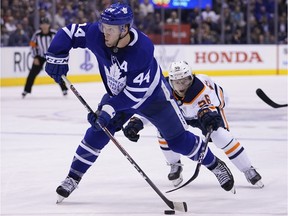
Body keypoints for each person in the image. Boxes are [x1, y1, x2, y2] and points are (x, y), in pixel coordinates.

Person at [44, 3, 235, 203]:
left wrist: (107, 109)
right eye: (103, 27)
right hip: (118, 94)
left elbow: (134, 96)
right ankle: (73, 177)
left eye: (110, 29)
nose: (104, 33)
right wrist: (56, 56)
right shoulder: (97, 33)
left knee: (178, 141)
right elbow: (68, 33)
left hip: (155, 99)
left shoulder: (142, 49)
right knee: (98, 131)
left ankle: (215, 165)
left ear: (125, 29)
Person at [123, 61, 264, 188]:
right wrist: (137, 122)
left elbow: (219, 101)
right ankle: (174, 165)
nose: (181, 86)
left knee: (221, 136)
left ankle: (248, 169)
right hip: (179, 114)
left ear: (191, 78)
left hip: (203, 112)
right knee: (163, 131)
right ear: (171, 81)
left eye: (185, 81)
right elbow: (152, 109)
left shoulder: (202, 87)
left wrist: (209, 114)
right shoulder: (162, 89)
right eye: (177, 82)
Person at [22, 17, 68, 98]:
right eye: (43, 24)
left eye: (46, 24)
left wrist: (58, 55)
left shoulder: (54, 33)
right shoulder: (37, 34)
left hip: (53, 56)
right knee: (32, 73)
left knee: (58, 72)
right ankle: (26, 90)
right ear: (40, 25)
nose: (44, 26)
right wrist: (35, 57)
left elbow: (60, 43)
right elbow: (32, 45)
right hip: (40, 56)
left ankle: (64, 89)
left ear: (49, 25)